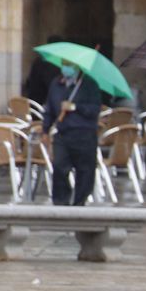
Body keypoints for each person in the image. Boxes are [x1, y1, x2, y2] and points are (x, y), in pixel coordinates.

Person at [43, 60, 102, 206]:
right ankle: (61, 201)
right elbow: (49, 108)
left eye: (69, 65)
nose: (66, 68)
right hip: (63, 133)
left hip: (84, 134)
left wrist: (76, 107)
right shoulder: (56, 84)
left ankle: (79, 202)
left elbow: (94, 110)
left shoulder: (89, 85)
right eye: (64, 64)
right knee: (59, 166)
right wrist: (45, 129)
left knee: (85, 170)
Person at [23, 36, 62, 105]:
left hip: (34, 98)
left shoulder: (38, 60)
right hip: (43, 100)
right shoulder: (52, 63)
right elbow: (50, 83)